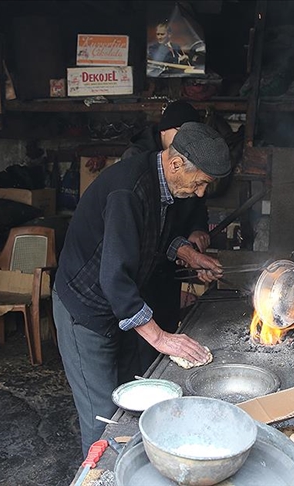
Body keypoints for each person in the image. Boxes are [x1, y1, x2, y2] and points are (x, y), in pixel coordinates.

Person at [53, 122, 231, 458]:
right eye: (200, 183)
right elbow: (114, 278)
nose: (200, 193)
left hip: (114, 307)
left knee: (128, 401)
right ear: (176, 164)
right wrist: (161, 337)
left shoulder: (161, 184)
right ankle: (99, 477)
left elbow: (154, 236)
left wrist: (190, 255)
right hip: (85, 308)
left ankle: (129, 468)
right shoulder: (129, 191)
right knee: (103, 417)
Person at [122, 101, 210, 373]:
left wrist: (193, 236)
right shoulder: (136, 165)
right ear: (164, 131)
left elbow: (196, 204)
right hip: (140, 267)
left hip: (166, 258)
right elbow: (117, 275)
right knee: (143, 339)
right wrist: (158, 338)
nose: (187, 140)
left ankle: (160, 372)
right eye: (181, 133)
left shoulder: (190, 161)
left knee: (167, 323)